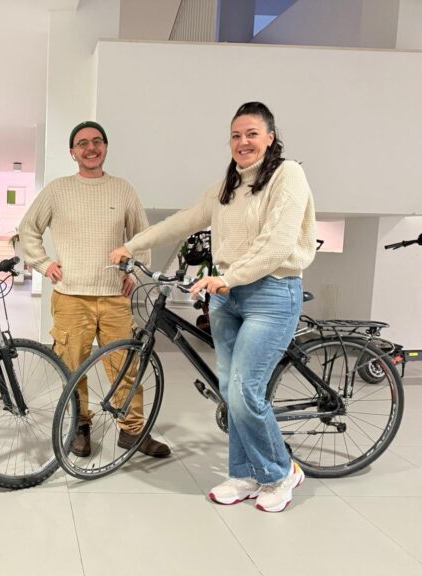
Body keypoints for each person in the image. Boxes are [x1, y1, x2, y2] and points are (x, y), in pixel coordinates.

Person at [110, 102, 316, 512]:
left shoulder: (287, 175)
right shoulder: (229, 183)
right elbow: (186, 219)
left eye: (252, 134)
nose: (243, 142)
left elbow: (276, 245)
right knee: (229, 391)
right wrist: (132, 245)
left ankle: (281, 471)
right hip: (227, 298)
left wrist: (229, 276)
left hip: (270, 295)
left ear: (270, 137)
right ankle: (243, 474)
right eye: (236, 135)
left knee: (244, 391)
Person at [20, 120, 171, 459]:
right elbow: (28, 229)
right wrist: (45, 264)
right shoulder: (57, 190)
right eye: (83, 143)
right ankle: (79, 427)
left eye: (97, 141)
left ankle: (132, 432)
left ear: (105, 147)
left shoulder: (123, 189)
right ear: (72, 152)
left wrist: (134, 268)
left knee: (125, 367)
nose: (90, 148)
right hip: (71, 296)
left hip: (115, 296)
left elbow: (141, 236)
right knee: (72, 367)